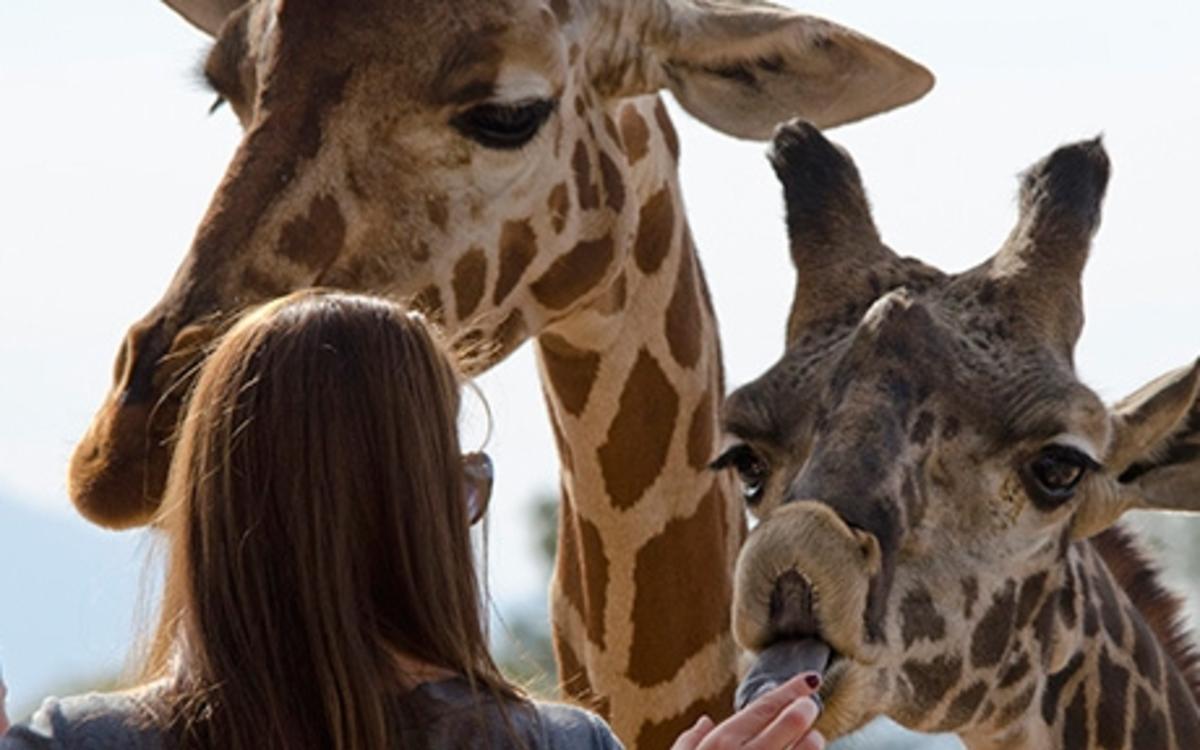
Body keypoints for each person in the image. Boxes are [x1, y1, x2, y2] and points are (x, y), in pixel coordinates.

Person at [0, 291, 825, 749]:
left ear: (215, 522)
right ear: (421, 515)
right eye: (461, 486)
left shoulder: (77, 745)